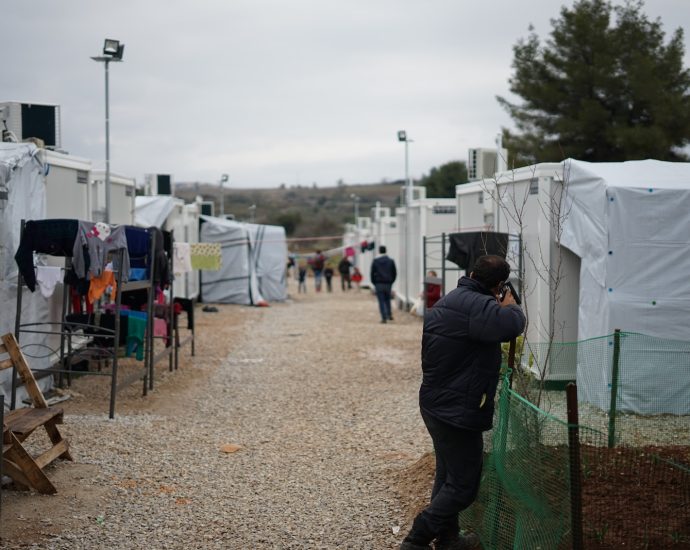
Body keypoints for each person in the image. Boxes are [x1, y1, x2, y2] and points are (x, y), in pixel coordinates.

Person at [400, 255, 525, 550]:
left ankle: (448, 539)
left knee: (447, 476)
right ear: (498, 285)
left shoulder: (449, 300)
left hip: (434, 402)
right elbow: (512, 325)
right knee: (465, 485)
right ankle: (417, 538)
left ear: (470, 273)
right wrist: (511, 305)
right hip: (458, 410)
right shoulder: (480, 308)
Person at [370, 245, 397, 323]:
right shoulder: (391, 261)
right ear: (386, 251)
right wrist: (392, 281)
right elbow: (394, 272)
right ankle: (389, 314)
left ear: (379, 251)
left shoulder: (375, 261)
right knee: (388, 299)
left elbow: (372, 273)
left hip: (378, 283)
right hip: (388, 283)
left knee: (381, 301)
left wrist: (374, 282)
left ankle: (383, 317)